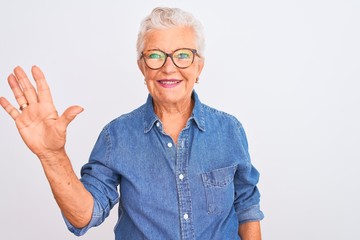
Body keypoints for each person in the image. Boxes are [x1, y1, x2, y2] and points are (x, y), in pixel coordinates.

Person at [0, 7, 264, 240]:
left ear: (199, 66)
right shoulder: (116, 137)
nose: (169, 68)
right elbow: (83, 217)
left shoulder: (230, 131)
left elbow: (246, 206)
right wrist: (51, 155)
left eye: (182, 55)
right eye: (155, 55)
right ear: (142, 66)